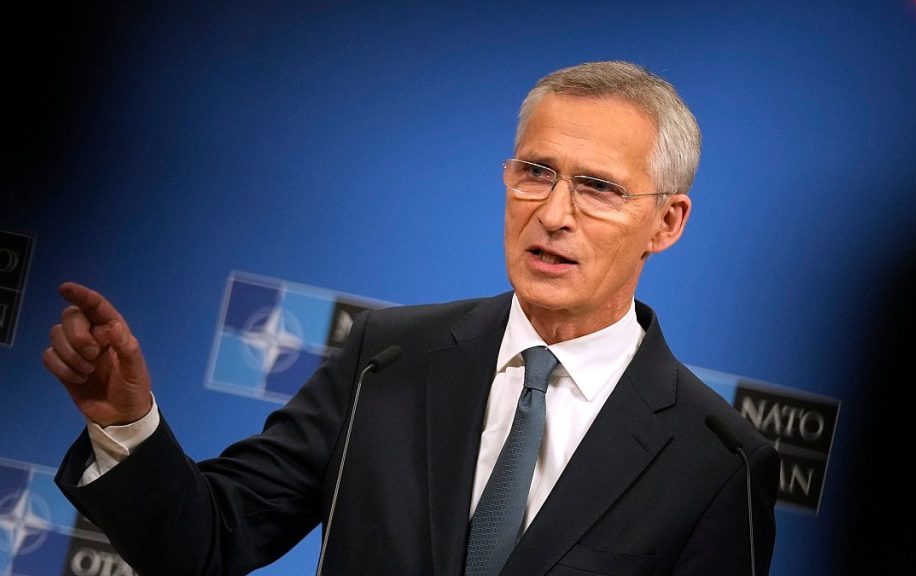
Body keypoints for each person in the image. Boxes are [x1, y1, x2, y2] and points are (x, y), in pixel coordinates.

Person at [43, 61, 779, 575]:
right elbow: (206, 544)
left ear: (667, 223)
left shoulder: (716, 460)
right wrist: (127, 421)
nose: (554, 215)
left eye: (597, 188)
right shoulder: (385, 360)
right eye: (535, 172)